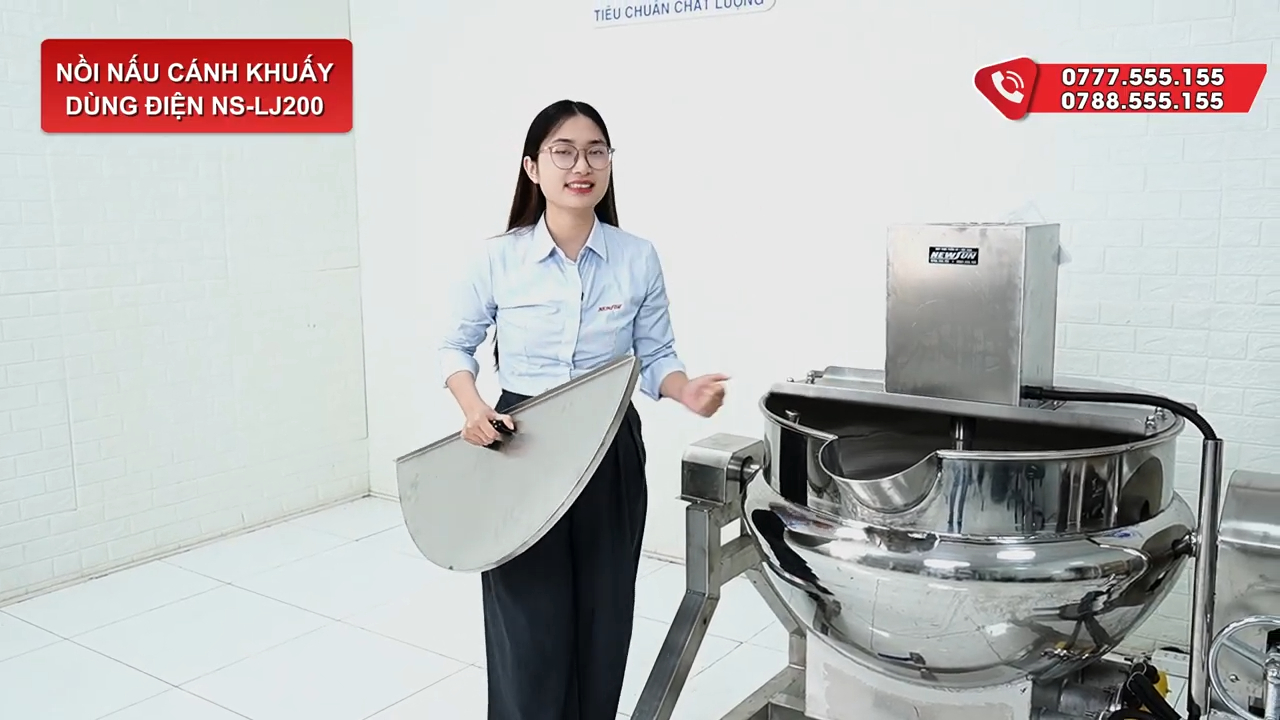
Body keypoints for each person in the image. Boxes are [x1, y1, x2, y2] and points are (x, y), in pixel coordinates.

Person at [437, 99, 729, 720]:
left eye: (597, 152)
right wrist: (472, 406)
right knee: (529, 619)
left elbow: (657, 353)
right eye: (563, 152)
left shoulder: (636, 256)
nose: (582, 166)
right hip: (519, 443)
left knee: (603, 612)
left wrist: (685, 391)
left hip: (608, 445)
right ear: (532, 168)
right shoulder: (498, 258)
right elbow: (454, 347)